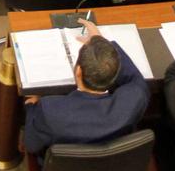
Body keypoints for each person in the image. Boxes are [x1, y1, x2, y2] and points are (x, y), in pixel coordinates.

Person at [22, 23, 148, 156]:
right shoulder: (134, 100)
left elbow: (31, 145)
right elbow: (135, 79)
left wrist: (31, 106)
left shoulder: (50, 110)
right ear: (116, 73)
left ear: (78, 71)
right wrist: (102, 45)